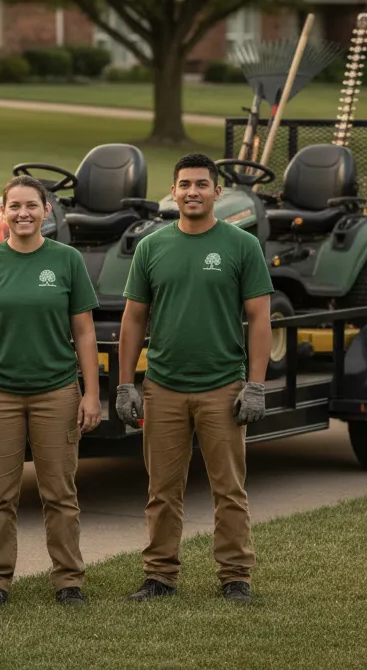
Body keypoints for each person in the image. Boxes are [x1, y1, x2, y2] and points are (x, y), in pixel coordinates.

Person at [114, 152, 272, 604]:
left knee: (229, 489)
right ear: (173, 191)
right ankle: (159, 576)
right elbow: (132, 320)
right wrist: (127, 383)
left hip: (223, 386)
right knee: (162, 490)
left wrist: (255, 385)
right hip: (163, 387)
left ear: (217, 193)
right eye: (184, 185)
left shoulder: (241, 246)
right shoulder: (152, 247)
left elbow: (260, 319)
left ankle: (235, 575)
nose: (193, 192)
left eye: (202, 185)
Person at [0, 175, 103, 609]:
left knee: (60, 493)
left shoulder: (67, 260)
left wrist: (90, 394)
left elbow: (85, 333)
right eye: (14, 206)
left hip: (56, 392)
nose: (23, 213)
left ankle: (68, 581)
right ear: (3, 212)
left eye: (32, 206)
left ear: (47, 211)